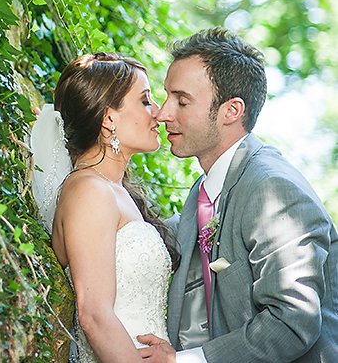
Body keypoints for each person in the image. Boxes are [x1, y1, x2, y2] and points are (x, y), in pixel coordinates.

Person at [137, 28, 338, 362]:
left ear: (231, 111)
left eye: (182, 101)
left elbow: (292, 321)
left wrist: (183, 361)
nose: (162, 113)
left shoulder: (273, 189)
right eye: (166, 96)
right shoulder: (205, 191)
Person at [31, 52, 177, 363]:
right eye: (145, 101)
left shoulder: (114, 191)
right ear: (109, 118)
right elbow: (94, 315)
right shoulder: (90, 191)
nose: (159, 113)